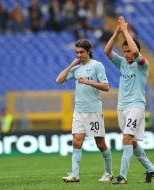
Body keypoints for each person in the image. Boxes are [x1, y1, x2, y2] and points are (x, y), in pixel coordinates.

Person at [104, 16, 154, 184]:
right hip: (122, 107)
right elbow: (107, 52)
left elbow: (136, 52)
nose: (126, 54)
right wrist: (117, 32)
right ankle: (151, 169)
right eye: (124, 51)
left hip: (136, 106)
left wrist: (125, 30)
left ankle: (123, 176)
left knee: (126, 138)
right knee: (131, 142)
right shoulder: (122, 63)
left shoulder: (142, 65)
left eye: (129, 51)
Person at [56, 39, 113, 182]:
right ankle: (75, 175)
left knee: (100, 143)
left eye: (81, 52)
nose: (79, 55)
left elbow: (106, 87)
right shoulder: (76, 68)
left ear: (89, 51)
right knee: (76, 141)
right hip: (79, 111)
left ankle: (108, 172)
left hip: (94, 111)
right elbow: (59, 80)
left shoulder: (97, 66)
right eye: (77, 52)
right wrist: (71, 65)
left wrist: (89, 82)